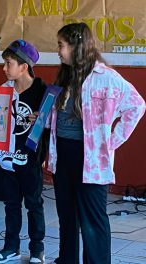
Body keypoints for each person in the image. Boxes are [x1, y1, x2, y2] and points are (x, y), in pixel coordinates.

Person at [48, 22, 145, 264]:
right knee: (67, 217)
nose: (58, 51)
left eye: (61, 45)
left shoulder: (106, 77)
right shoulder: (65, 76)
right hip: (63, 154)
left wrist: (111, 142)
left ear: (76, 46)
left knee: (93, 221)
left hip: (90, 160)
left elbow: (137, 106)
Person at [0, 39, 47, 264]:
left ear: (24, 67)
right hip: (6, 157)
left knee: (33, 203)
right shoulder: (4, 91)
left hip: (30, 158)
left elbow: (52, 125)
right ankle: (11, 247)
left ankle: (37, 249)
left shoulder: (43, 92)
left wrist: (43, 120)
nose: (4, 68)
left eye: (8, 63)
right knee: (11, 203)